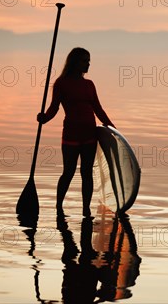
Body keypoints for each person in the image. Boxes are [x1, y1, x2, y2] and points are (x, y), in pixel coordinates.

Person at [37, 47, 114, 217]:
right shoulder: (61, 83)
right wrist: (44, 118)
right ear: (74, 62)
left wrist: (112, 127)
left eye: (89, 61)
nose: (88, 64)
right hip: (71, 134)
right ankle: (58, 207)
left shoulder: (89, 84)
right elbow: (54, 108)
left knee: (87, 173)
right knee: (68, 172)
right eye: (84, 60)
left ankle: (86, 210)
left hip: (89, 135)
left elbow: (98, 109)